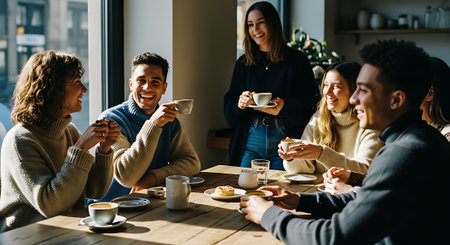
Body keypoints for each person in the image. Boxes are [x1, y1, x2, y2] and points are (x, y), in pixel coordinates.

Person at [240, 40, 450, 244]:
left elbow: (333, 236)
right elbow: (367, 202)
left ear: (396, 100)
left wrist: (268, 215)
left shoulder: (405, 153)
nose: (353, 99)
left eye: (364, 90)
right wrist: (300, 200)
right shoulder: (421, 140)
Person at [0, 50, 120, 232]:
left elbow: (95, 190)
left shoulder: (69, 131)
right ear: (52, 87)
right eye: (77, 82)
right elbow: (50, 206)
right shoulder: (20, 140)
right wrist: (79, 149)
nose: (84, 89)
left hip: (66, 230)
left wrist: (104, 150)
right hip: (26, 235)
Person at [323, 56, 450, 195]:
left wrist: (351, 191)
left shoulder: (441, 137)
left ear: (429, 93)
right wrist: (352, 178)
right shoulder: (422, 131)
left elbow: (414, 197)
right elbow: (400, 183)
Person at [90, 52, 201, 203]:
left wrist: (153, 177)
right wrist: (153, 125)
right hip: (112, 206)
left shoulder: (169, 120)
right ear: (131, 84)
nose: (147, 87)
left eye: (155, 82)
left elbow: (192, 163)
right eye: (141, 81)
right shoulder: (110, 119)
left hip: (150, 203)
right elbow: (126, 177)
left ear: (164, 88)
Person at [224, 1, 320, 170]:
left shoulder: (297, 60)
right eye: (250, 25)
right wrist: (239, 104)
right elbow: (230, 115)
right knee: (245, 191)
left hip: (285, 142)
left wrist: (284, 106)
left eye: (260, 23)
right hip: (251, 140)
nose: (255, 30)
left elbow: (313, 107)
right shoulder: (244, 63)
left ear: (273, 23)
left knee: (279, 193)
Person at [278, 61, 383, 174]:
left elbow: (365, 171)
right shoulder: (320, 117)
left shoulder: (370, 122)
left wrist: (322, 154)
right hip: (320, 189)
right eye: (326, 85)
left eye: (336, 86)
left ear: (354, 90)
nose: (327, 92)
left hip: (350, 191)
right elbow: (305, 169)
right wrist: (292, 157)